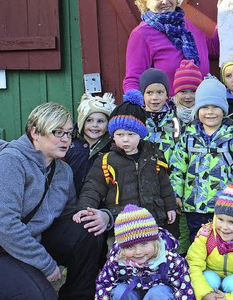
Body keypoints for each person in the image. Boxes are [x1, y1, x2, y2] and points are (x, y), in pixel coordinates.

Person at [0, 102, 103, 300]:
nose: (66, 139)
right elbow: (5, 227)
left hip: (31, 240)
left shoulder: (63, 171)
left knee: (86, 230)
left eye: (69, 134)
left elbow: (68, 217)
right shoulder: (10, 163)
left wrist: (103, 217)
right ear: (35, 132)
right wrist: (46, 264)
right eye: (58, 132)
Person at [75, 90, 177, 233]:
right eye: (120, 134)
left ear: (140, 135)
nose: (125, 139)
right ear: (113, 136)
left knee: (154, 252)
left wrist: (170, 206)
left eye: (131, 134)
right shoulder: (106, 160)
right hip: (121, 223)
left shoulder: (153, 156)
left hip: (153, 221)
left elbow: (165, 185)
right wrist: (85, 209)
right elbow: (92, 188)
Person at [170, 76, 233, 253]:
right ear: (197, 110)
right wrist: (176, 194)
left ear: (224, 110)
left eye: (215, 107)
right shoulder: (188, 138)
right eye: (204, 107)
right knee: (198, 244)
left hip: (224, 205)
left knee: (224, 244)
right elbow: (177, 167)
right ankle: (200, 276)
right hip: (194, 204)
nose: (210, 112)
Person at [93, 204, 196, 300]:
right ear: (122, 247)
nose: (138, 252)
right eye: (130, 246)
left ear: (154, 240)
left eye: (143, 244)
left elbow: (185, 295)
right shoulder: (117, 259)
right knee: (120, 291)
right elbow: (104, 286)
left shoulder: (171, 260)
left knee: (158, 294)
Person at [123, 0, 219, 96]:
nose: (165, 1)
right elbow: (133, 80)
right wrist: (136, 108)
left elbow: (212, 49)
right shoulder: (142, 34)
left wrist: (227, 15)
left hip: (200, 107)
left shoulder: (185, 24)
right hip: (167, 111)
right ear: (145, 2)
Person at [65, 92, 116, 197]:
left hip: (100, 201)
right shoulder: (69, 143)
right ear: (81, 122)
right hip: (70, 199)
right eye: (89, 120)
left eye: (101, 121)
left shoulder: (112, 146)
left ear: (108, 124)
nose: (94, 125)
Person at [140, 68, 181, 163]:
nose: (155, 98)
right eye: (149, 93)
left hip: (169, 170)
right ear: (143, 95)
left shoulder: (175, 118)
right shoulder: (138, 117)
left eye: (160, 92)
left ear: (167, 95)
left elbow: (180, 147)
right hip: (145, 170)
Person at [172, 59, 203, 125]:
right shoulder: (169, 113)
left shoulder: (205, 114)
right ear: (176, 93)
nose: (188, 96)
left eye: (193, 91)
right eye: (183, 92)